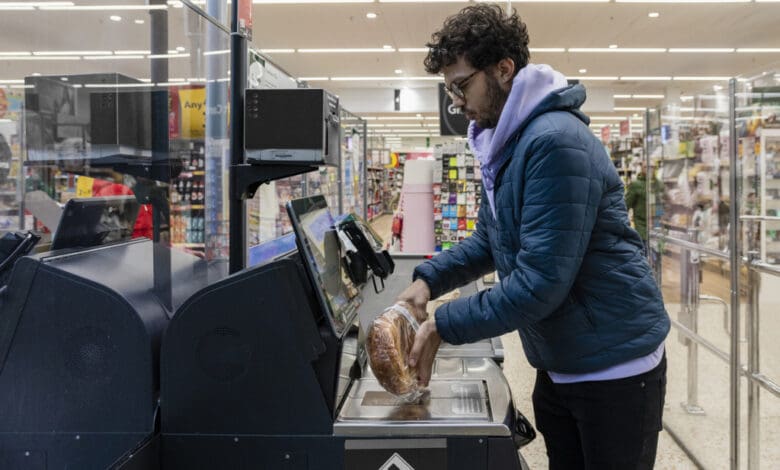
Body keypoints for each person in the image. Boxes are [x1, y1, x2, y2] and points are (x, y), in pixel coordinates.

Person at [397, 5, 670, 469]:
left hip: (614, 367)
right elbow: (489, 239)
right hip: (564, 355)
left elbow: (540, 282)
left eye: (461, 85)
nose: (456, 102)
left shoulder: (553, 142)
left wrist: (444, 324)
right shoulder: (508, 143)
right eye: (449, 90)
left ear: (504, 70)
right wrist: (428, 280)